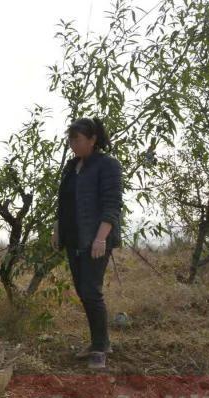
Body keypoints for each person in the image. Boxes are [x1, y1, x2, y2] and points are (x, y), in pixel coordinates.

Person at [51, 118, 123, 370]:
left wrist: (101, 237)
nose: (72, 144)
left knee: (91, 291)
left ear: (92, 140)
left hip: (95, 239)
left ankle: (101, 347)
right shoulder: (72, 167)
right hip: (74, 238)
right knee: (83, 291)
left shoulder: (107, 166)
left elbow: (112, 205)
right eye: (70, 139)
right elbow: (64, 202)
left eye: (77, 139)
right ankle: (98, 341)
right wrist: (57, 228)